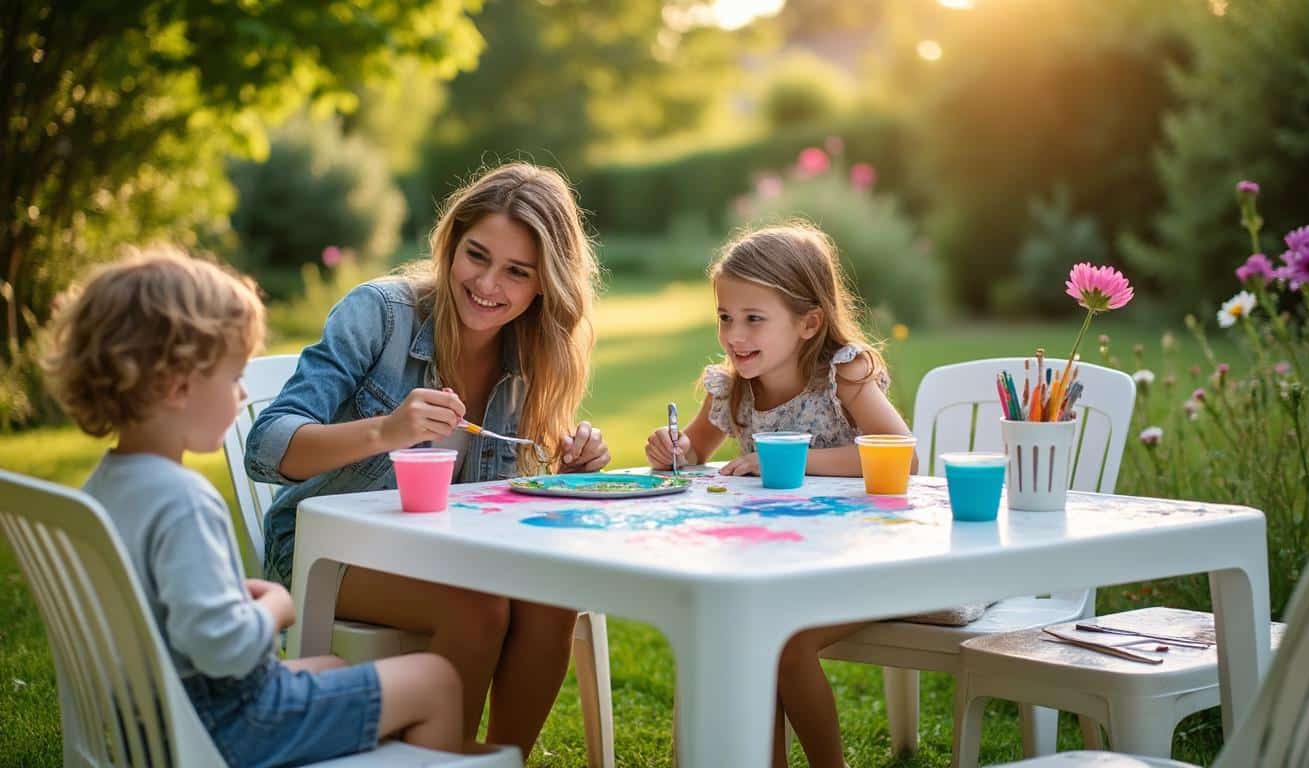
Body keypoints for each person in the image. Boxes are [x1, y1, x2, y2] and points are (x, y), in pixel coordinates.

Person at [42, 247, 470, 767]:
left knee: (332, 667)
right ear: (179, 388)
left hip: (151, 715)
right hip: (229, 724)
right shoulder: (184, 500)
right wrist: (274, 606)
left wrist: (229, 596)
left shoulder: (102, 487)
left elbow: (163, 607)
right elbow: (228, 650)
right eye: (232, 377)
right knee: (436, 680)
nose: (243, 392)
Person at [244, 162, 610, 756]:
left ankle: (500, 760)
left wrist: (566, 474)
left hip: (449, 555)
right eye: (476, 255)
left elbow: (497, 498)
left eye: (517, 272)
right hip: (327, 552)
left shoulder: (533, 350)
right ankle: (447, 759)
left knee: (549, 597)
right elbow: (267, 446)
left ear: (545, 283)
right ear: (450, 243)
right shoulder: (380, 314)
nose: (489, 284)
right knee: (480, 607)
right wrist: (386, 430)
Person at [643, 222, 915, 768]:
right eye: (725, 317)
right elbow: (693, 452)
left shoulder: (843, 374)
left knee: (783, 645)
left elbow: (900, 454)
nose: (734, 336)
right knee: (745, 638)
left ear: (808, 322)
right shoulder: (734, 388)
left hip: (868, 558)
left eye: (753, 319)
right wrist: (672, 446)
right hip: (778, 562)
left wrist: (785, 462)